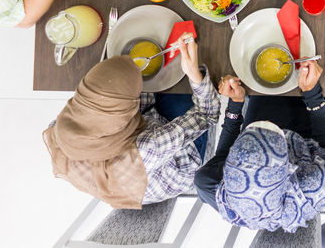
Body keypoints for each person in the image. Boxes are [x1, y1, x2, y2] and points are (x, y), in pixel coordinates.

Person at [44, 38, 219, 208]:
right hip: (175, 162)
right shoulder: (147, 148)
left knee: (151, 78)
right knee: (181, 81)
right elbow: (207, 114)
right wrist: (194, 73)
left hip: (131, 153)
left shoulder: (62, 126)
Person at [194, 61, 325, 231]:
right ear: (287, 166)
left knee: (266, 84)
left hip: (275, 150)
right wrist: (312, 94)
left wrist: (236, 104)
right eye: (270, 127)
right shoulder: (319, 181)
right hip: (323, 151)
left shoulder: (208, 184)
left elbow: (222, 155)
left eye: (257, 127)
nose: (267, 121)